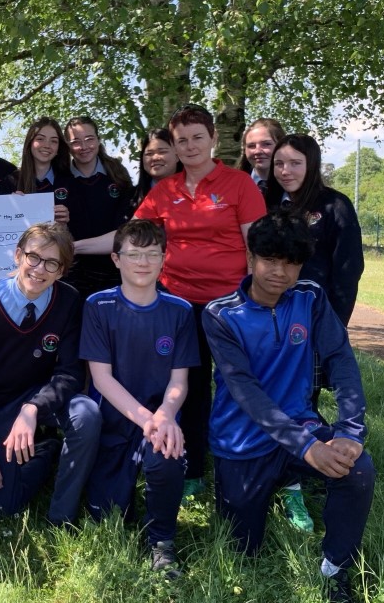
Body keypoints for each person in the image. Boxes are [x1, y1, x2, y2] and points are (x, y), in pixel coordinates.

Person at [74, 105, 266, 500]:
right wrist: (70, 246)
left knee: (237, 383)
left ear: (213, 139)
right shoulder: (165, 190)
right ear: (174, 147)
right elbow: (126, 237)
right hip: (178, 306)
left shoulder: (239, 184)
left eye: (198, 137)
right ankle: (191, 466)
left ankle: (244, 462)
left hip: (229, 306)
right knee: (189, 385)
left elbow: (257, 247)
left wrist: (254, 301)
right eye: (182, 140)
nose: (190, 146)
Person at [203, 211, 375, 603]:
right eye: (270, 260)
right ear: (251, 259)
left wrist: (350, 430)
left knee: (357, 469)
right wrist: (307, 447)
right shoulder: (220, 314)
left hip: (301, 427)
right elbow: (246, 391)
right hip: (241, 440)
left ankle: (336, 570)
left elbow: (340, 359)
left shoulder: (310, 297)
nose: (280, 272)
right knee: (241, 551)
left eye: (291, 262)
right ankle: (273, 487)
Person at [0, 222, 101, 526]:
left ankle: (61, 515)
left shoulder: (69, 301)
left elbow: (70, 373)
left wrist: (33, 408)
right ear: (18, 255)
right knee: (3, 508)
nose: (39, 269)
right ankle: (46, 452)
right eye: (33, 257)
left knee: (87, 414)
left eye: (52, 263)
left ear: (61, 271)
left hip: (43, 399)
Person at [82, 219, 198, 579]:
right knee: (107, 515)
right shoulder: (98, 305)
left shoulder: (180, 310)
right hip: (115, 418)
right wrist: (148, 419)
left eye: (152, 254)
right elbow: (101, 379)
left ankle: (162, 540)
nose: (143, 262)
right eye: (133, 254)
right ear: (116, 259)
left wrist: (165, 415)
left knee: (167, 452)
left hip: (160, 416)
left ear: (164, 258)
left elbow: (179, 380)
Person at [266, 134, 364, 327]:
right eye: (278, 164)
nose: (285, 171)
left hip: (316, 313)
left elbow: (348, 269)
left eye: (295, 163)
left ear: (311, 165)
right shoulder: (266, 202)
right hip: (270, 311)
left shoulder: (335, 205)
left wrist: (335, 324)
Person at [63, 116, 134, 300]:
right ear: (67, 146)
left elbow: (127, 228)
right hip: (73, 271)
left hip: (114, 268)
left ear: (98, 139)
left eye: (89, 139)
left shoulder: (117, 174)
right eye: (76, 142)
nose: (84, 146)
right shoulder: (60, 178)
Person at [14, 117, 72, 224]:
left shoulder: (70, 182)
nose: (47, 145)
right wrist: (9, 208)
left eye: (54, 141)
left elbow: (81, 227)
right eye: (40, 139)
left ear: (59, 148)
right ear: (30, 143)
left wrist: (69, 219)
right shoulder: (11, 181)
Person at [130, 128, 181, 212]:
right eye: (149, 154)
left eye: (162, 152)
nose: (155, 158)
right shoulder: (130, 198)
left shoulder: (195, 191)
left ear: (177, 156)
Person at [237, 118, 285, 193]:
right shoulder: (232, 185)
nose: (258, 151)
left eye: (266, 144)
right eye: (251, 146)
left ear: (282, 146)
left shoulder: (297, 187)